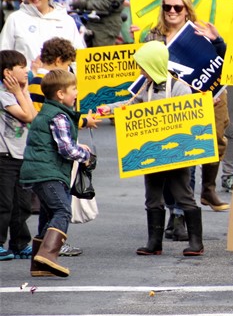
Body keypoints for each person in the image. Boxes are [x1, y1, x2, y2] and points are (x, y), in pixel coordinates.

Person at [99, 42, 204, 257]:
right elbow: (131, 104)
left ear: (155, 65)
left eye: (144, 67)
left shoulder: (179, 88)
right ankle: (154, 241)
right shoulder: (146, 88)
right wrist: (108, 109)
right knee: (153, 197)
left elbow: (187, 116)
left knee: (183, 194)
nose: (141, 72)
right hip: (153, 152)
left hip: (176, 153)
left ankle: (196, 242)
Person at [142, 0, 229, 212]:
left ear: (186, 9)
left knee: (196, 154)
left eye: (177, 7)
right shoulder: (153, 35)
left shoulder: (199, 31)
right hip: (166, 104)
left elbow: (220, 65)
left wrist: (218, 42)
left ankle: (184, 211)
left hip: (204, 100)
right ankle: (173, 211)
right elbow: (144, 72)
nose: (172, 11)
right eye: (167, 7)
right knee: (171, 157)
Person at [19, 69, 92, 277]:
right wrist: (85, 155)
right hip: (48, 172)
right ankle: (49, 255)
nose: (77, 92)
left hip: (40, 171)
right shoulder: (59, 115)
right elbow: (66, 149)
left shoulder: (49, 112)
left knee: (49, 213)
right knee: (62, 210)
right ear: (61, 94)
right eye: (74, 89)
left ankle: (38, 265)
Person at [0, 0, 85, 63]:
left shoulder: (66, 20)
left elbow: (78, 56)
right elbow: (3, 54)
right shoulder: (15, 19)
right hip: (27, 77)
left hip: (60, 77)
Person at [0, 51, 37, 261]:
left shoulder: (20, 92)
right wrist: (20, 93)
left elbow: (33, 117)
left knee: (22, 203)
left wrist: (24, 92)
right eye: (21, 67)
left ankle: (20, 243)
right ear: (7, 72)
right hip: (4, 156)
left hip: (21, 155)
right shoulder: (3, 93)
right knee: (4, 203)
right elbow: (27, 115)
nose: (26, 71)